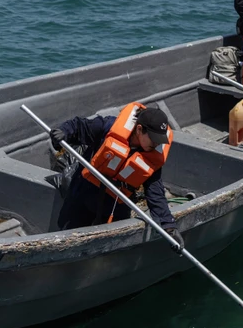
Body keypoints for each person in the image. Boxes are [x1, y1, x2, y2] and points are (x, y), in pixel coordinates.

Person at [48, 104, 182, 246]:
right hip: (84, 193)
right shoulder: (108, 126)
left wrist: (169, 227)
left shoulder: (151, 157)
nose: (156, 144)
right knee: (68, 235)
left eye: (159, 140)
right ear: (139, 129)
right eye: (153, 138)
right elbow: (79, 126)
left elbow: (156, 193)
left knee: (109, 244)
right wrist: (63, 132)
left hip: (115, 205)